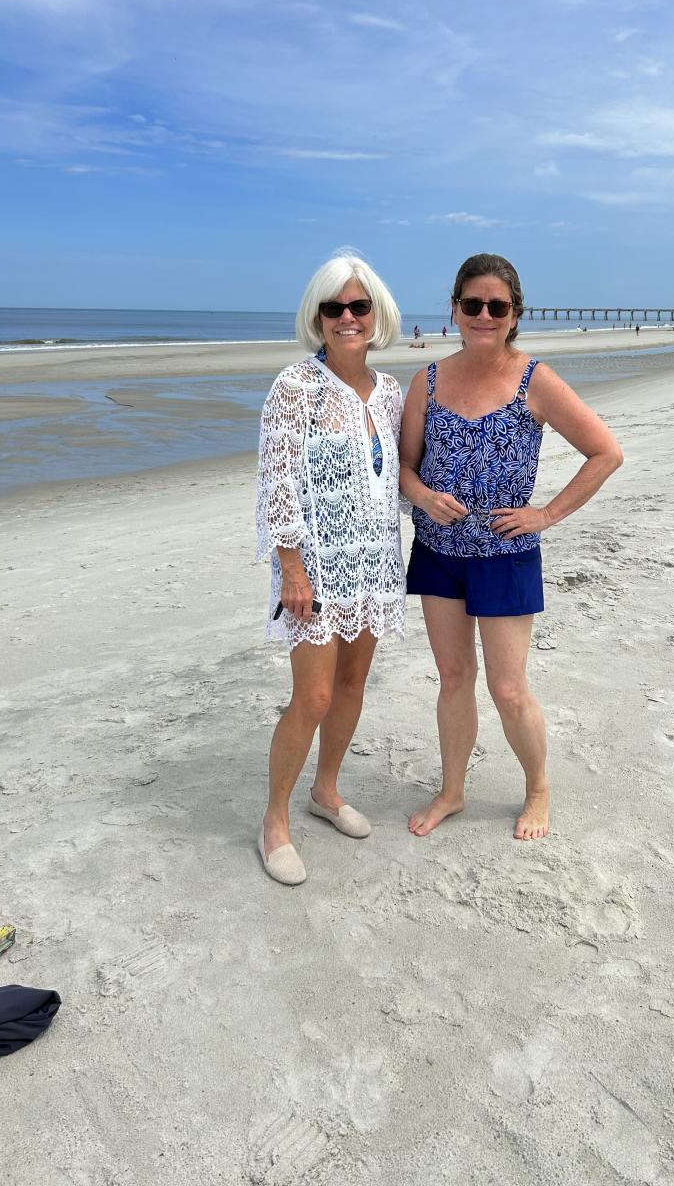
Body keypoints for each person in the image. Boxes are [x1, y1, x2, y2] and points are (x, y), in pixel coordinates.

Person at [399, 253, 623, 842]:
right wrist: (422, 496)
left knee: (507, 687)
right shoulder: (428, 380)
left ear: (514, 314)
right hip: (438, 553)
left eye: (496, 306)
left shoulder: (535, 379)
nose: (483, 315)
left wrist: (546, 513)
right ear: (454, 309)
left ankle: (538, 788)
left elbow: (606, 454)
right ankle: (452, 790)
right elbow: (401, 466)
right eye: (472, 304)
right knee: (453, 676)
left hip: (505, 554)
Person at [255, 254, 405, 885]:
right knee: (312, 694)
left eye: (358, 307)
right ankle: (274, 824)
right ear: (317, 317)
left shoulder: (393, 392)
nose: (347, 318)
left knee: (350, 687)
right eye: (333, 308)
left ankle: (327, 790)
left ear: (377, 315)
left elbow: (396, 473)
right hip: (313, 567)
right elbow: (277, 477)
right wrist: (292, 567)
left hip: (373, 562)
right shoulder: (296, 387)